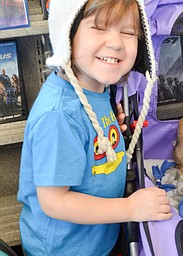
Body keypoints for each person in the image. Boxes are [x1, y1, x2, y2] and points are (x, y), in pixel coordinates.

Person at [17, 1, 172, 255]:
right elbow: (55, 202)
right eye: (99, 27)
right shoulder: (60, 115)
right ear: (66, 33)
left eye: (128, 31)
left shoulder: (98, 89)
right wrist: (130, 209)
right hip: (64, 250)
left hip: (97, 241)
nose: (116, 43)